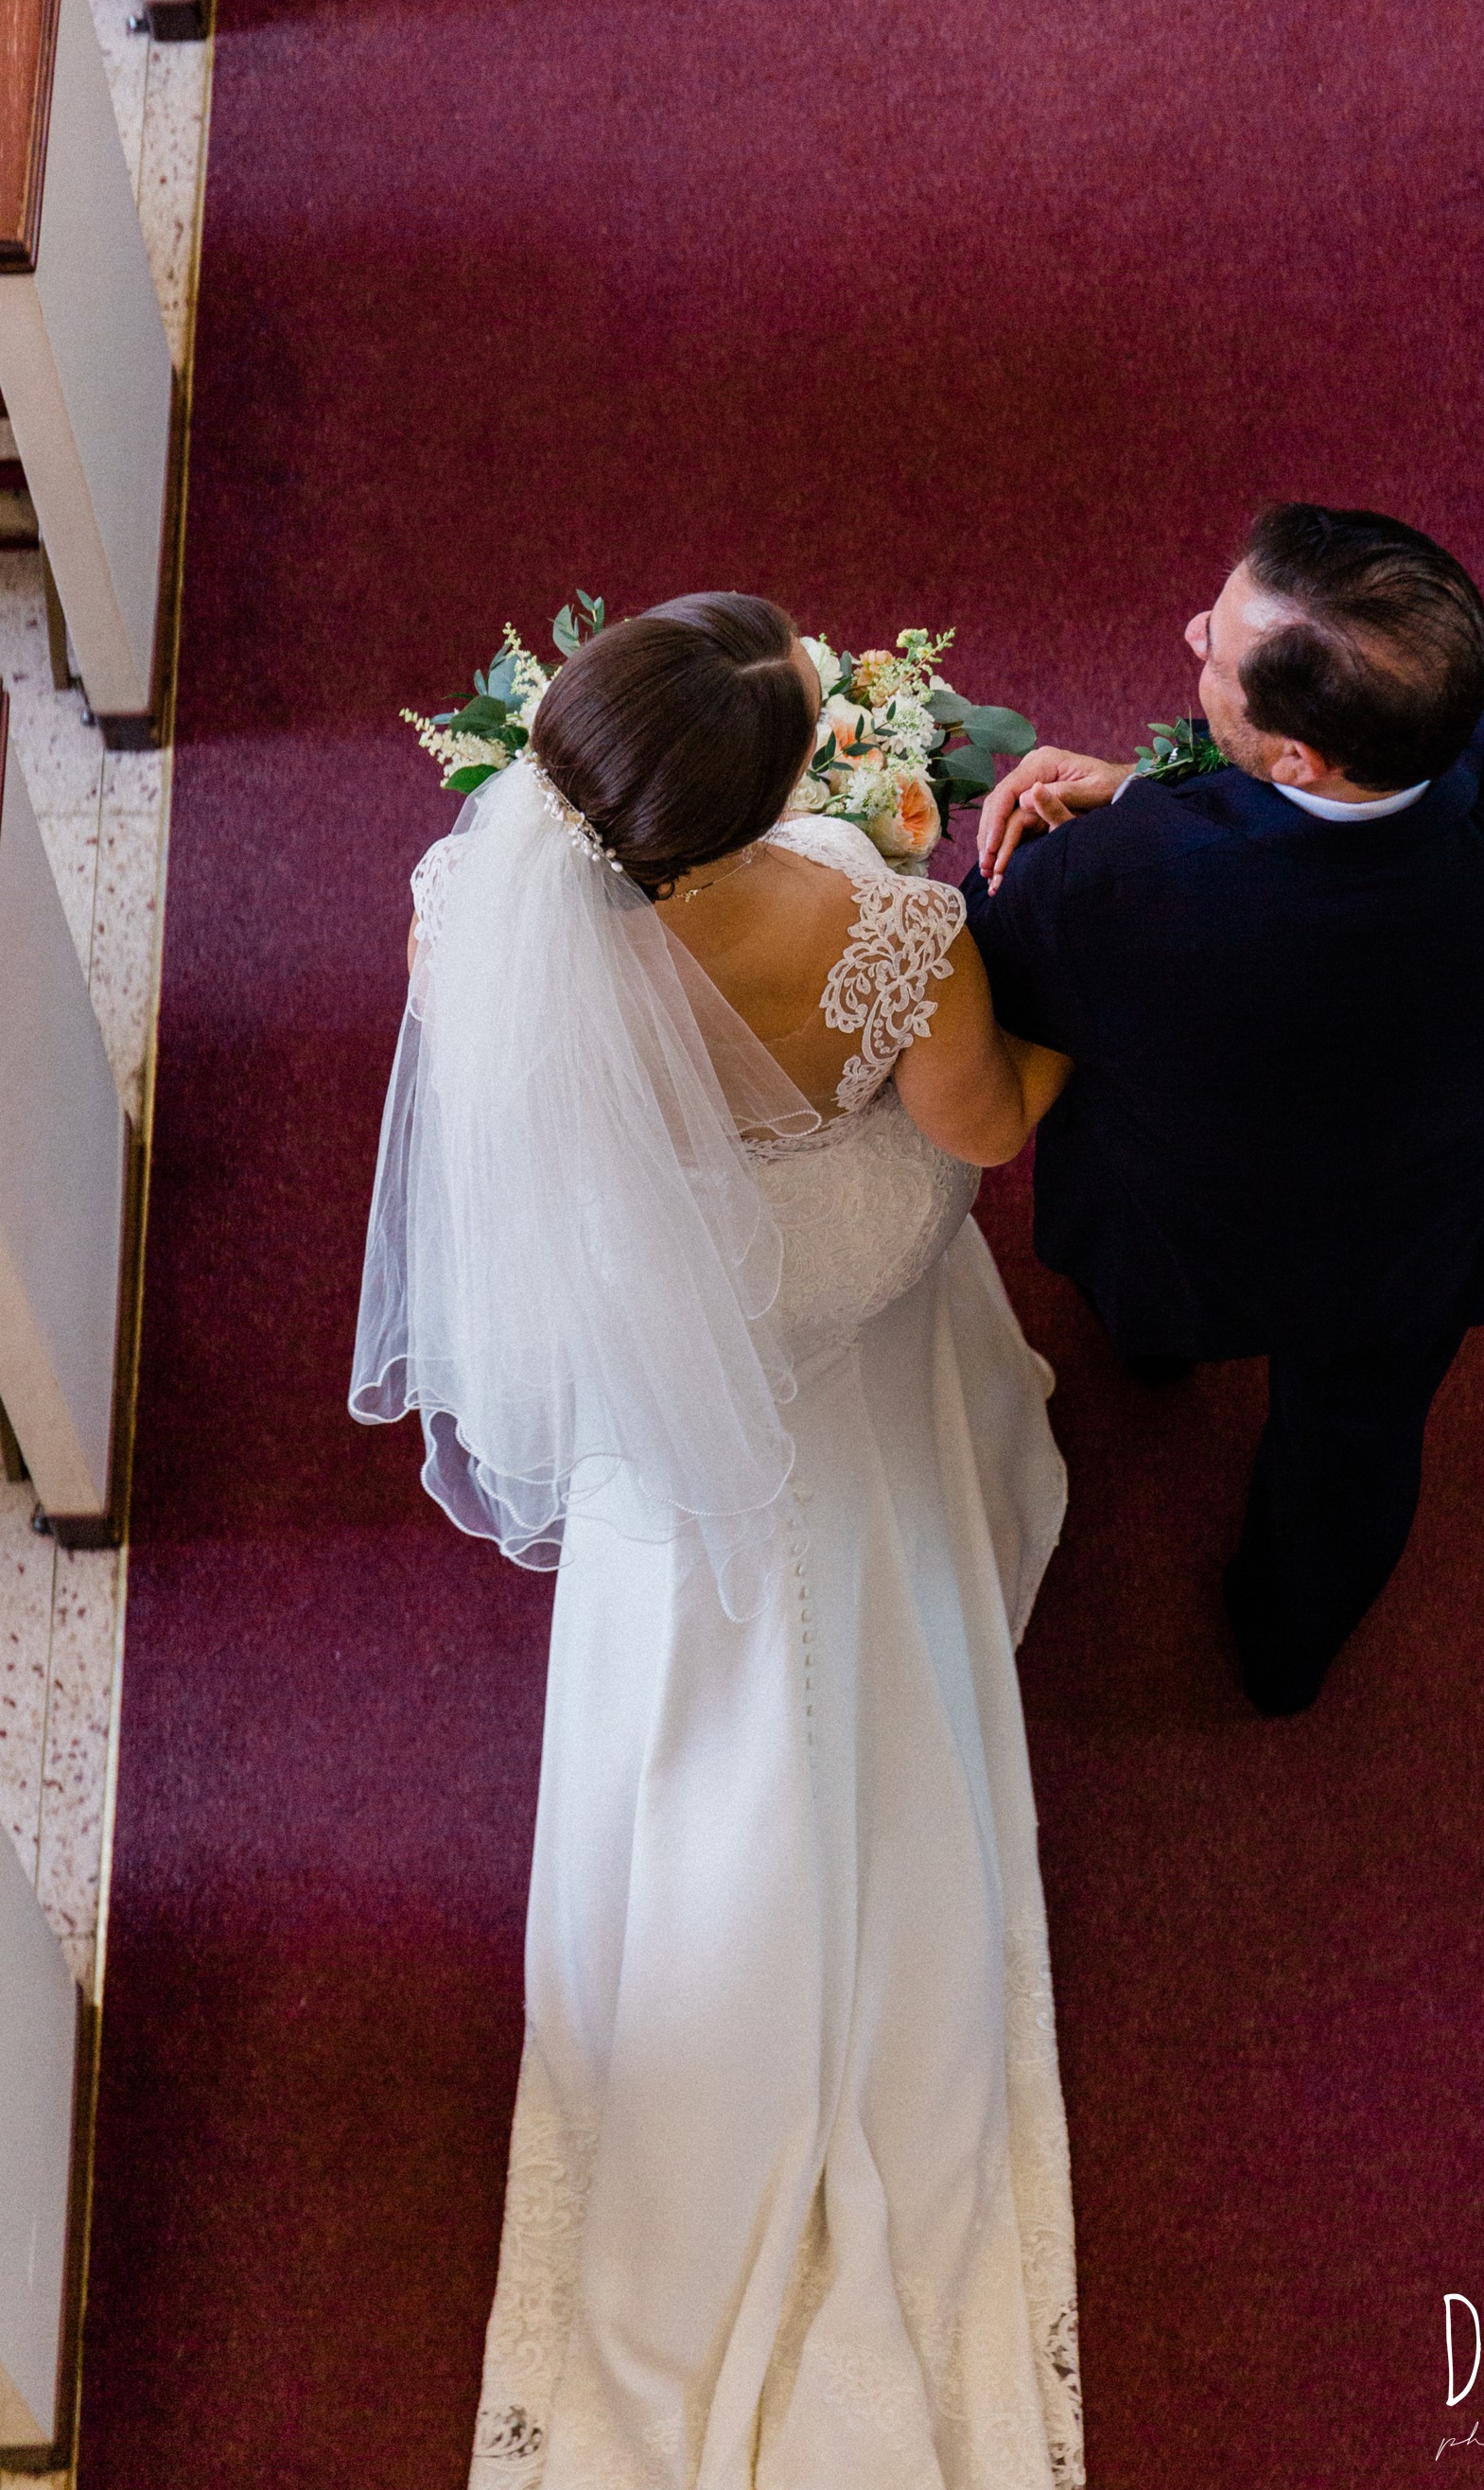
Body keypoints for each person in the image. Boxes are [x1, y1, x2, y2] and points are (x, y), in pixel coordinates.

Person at [351, 594, 1084, 2490]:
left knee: (695, 1575)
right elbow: (986, 1124)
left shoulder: (482, 910)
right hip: (841, 1287)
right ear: (768, 789)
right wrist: (1093, 1018)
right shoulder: (880, 922)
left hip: (664, 1308)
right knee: (877, 1428)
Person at [965, 502, 1484, 1717]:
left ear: (1297, 761)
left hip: (1194, 1229)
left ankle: (1155, 1357)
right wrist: (1149, 798)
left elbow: (1005, 982)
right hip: (1422, 1226)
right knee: (1356, 1449)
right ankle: (1286, 1653)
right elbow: (1481, 746)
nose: (1188, 637)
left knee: (1153, 1298)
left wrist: (1124, 815)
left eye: (1214, 657)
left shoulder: (1116, 887)